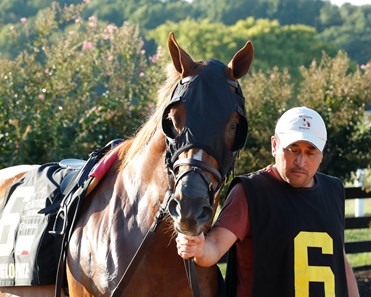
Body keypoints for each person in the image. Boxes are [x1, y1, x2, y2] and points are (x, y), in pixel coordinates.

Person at [176, 106, 359, 297]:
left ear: (322, 153)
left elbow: (340, 259)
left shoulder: (334, 191)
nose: (300, 161)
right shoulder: (250, 192)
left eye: (311, 152)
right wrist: (197, 247)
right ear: (274, 145)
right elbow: (214, 247)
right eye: (292, 149)